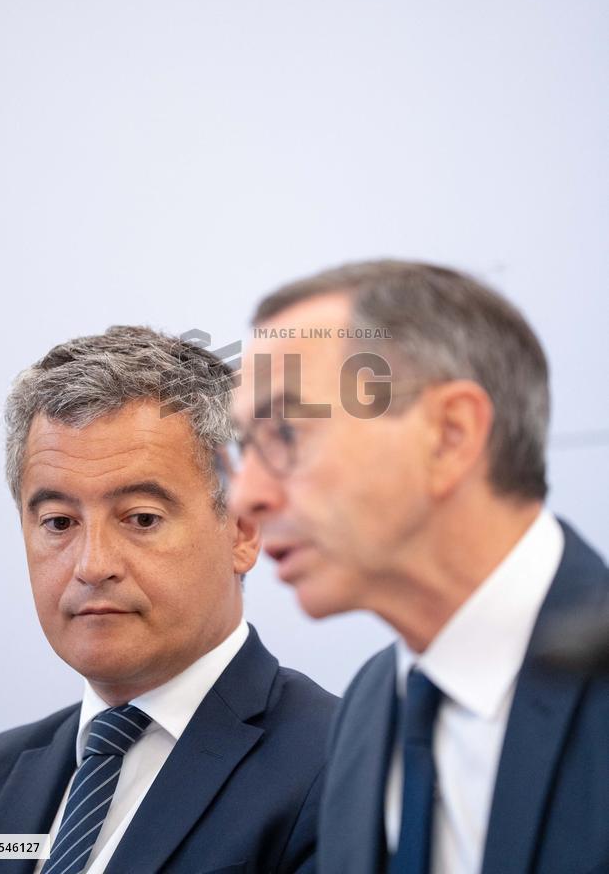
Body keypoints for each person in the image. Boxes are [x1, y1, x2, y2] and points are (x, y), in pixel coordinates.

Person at [223, 260, 609, 874]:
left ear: (450, 435)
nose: (245, 498)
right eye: (245, 449)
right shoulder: (366, 710)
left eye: (287, 433)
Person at [0, 326, 337, 874]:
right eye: (58, 522)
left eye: (142, 518)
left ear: (244, 531)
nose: (92, 565)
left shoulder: (343, 776)